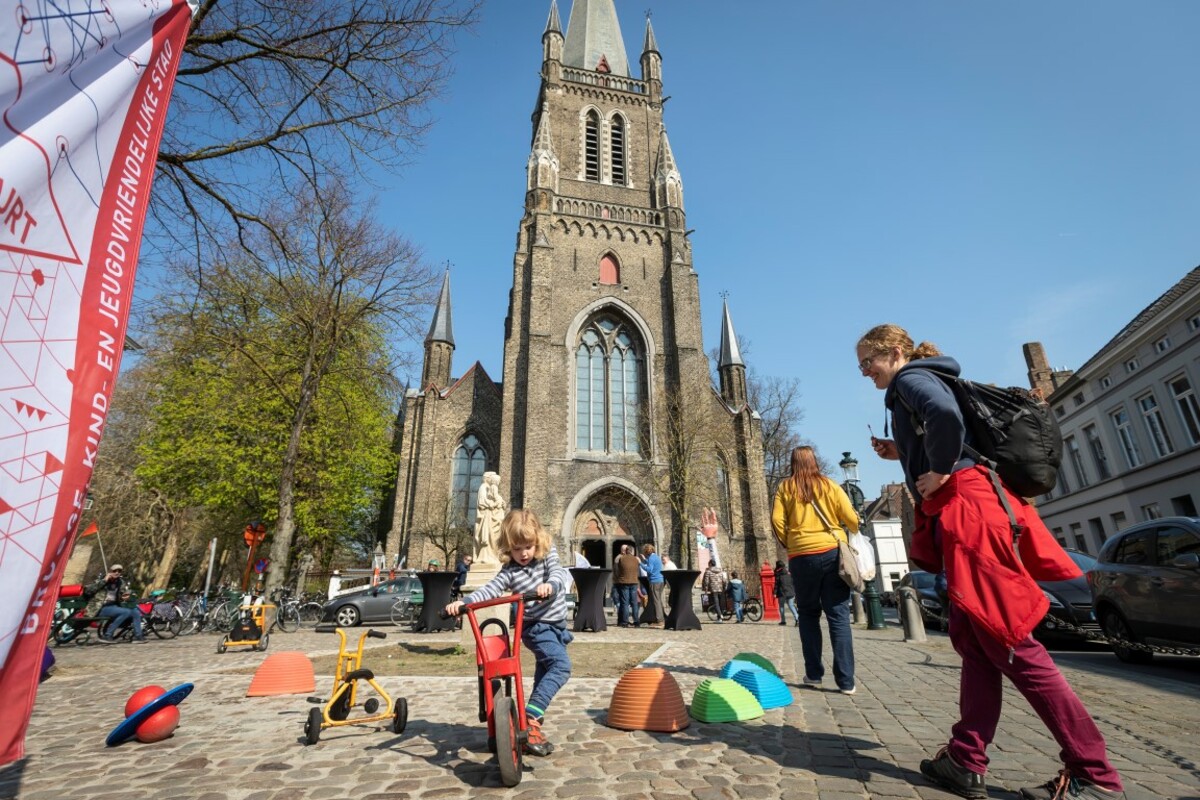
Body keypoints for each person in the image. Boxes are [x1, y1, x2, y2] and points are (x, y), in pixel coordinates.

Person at [857, 323, 1125, 800]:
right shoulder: (927, 378)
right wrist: (906, 452)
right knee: (976, 643)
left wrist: (937, 470)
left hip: (971, 515)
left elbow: (943, 417)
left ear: (895, 353)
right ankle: (965, 758)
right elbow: (951, 431)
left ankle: (1094, 772)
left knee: (1011, 642)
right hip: (972, 509)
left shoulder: (910, 381)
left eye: (868, 362)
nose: (865, 372)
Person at [444, 509, 572, 757]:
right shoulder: (510, 571)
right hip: (536, 628)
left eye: (528, 546)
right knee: (561, 666)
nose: (523, 553)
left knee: (545, 672)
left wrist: (550, 585)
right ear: (508, 547)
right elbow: (491, 589)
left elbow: (557, 573)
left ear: (537, 541)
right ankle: (532, 718)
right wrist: (464, 603)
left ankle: (528, 722)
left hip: (558, 626)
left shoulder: (547, 555)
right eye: (516, 548)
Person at [771, 445, 860, 694]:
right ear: (814, 461)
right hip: (832, 552)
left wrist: (791, 542)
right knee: (838, 616)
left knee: (809, 614)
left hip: (801, 557)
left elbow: (777, 520)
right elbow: (851, 518)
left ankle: (814, 674)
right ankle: (846, 681)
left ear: (792, 463)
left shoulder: (785, 487)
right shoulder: (829, 485)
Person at [89, 564, 145, 643]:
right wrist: (104, 581)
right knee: (126, 612)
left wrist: (127, 595)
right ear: (109, 572)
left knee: (135, 612)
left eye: (119, 571)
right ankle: (108, 635)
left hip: (114, 607)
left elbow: (123, 594)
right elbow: (89, 590)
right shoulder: (101, 580)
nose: (117, 573)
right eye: (114, 571)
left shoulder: (120, 582)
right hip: (101, 607)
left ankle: (138, 636)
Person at [612, 544, 641, 628]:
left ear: (626, 550)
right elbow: (638, 569)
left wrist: (620, 577)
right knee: (634, 602)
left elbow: (617, 570)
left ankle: (625, 622)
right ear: (632, 551)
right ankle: (636, 621)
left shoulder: (621, 558)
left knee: (625, 602)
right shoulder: (636, 559)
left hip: (624, 582)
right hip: (634, 582)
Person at [639, 544, 665, 626]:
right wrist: (645, 560)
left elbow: (649, 570)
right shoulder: (656, 557)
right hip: (660, 580)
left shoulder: (651, 558)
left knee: (656, 601)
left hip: (654, 581)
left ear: (646, 552)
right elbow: (653, 564)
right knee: (658, 600)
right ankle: (660, 618)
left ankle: (660, 620)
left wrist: (640, 563)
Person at [773, 560, 799, 627]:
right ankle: (797, 619)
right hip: (791, 591)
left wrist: (774, 593)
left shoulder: (778, 574)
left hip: (782, 593)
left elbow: (776, 584)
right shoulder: (789, 572)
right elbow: (793, 582)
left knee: (781, 607)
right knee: (791, 605)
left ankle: (783, 621)